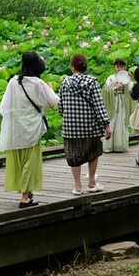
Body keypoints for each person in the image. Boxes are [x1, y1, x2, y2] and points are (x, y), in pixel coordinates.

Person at [0, 52, 59, 208]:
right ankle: (25, 197)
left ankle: (25, 191)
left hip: (17, 128)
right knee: (30, 163)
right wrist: (50, 88)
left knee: (20, 161)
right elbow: (52, 102)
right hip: (32, 128)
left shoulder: (13, 82)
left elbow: (4, 107)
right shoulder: (38, 83)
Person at [58, 53, 112, 195]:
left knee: (74, 157)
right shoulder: (92, 82)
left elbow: (61, 107)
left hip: (70, 128)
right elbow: (99, 105)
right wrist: (106, 125)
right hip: (90, 126)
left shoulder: (65, 83)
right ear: (85, 66)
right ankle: (92, 182)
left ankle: (77, 187)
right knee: (93, 153)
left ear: (72, 67)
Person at [101, 58, 132, 153]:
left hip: (122, 102)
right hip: (112, 103)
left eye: (122, 67)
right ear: (114, 67)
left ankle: (119, 146)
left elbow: (131, 90)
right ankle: (108, 146)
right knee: (111, 122)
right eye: (118, 67)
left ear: (125, 67)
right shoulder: (111, 78)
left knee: (121, 122)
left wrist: (131, 80)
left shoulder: (127, 79)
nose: (120, 69)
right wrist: (115, 88)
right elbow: (106, 91)